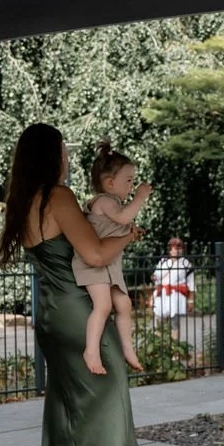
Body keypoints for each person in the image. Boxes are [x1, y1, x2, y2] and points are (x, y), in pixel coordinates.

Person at [0, 122, 172, 446]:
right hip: (80, 317)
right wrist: (127, 238)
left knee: (61, 424)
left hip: (53, 319)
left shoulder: (23, 203)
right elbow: (93, 256)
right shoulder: (58, 196)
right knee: (115, 415)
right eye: (63, 151)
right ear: (52, 156)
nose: (68, 159)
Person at [73, 142, 152, 375]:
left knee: (124, 303)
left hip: (109, 265)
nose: (132, 185)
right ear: (110, 183)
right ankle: (91, 351)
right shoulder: (103, 201)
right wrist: (140, 198)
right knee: (104, 304)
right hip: (93, 264)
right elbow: (121, 218)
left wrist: (132, 231)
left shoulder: (114, 203)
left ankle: (127, 347)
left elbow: (122, 223)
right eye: (129, 181)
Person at [151, 236, 194, 320]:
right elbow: (156, 276)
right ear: (170, 250)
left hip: (177, 296)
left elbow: (191, 284)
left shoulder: (186, 263)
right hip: (162, 295)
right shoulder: (163, 261)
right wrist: (154, 277)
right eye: (175, 248)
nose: (178, 250)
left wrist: (190, 301)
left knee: (175, 324)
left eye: (180, 248)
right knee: (160, 323)